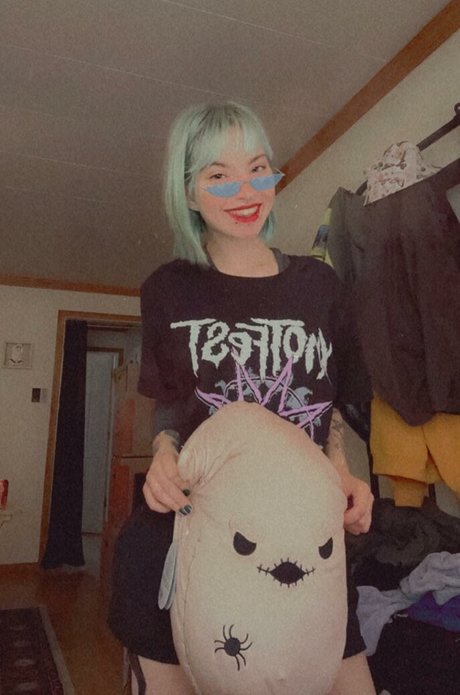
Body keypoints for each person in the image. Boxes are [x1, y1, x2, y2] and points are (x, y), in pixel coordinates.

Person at [108, 101, 375, 695]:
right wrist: (162, 454)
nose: (246, 190)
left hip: (302, 540)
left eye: (257, 168)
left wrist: (341, 473)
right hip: (188, 539)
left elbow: (327, 402)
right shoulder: (167, 289)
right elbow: (171, 403)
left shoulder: (320, 287)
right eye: (219, 175)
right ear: (188, 191)